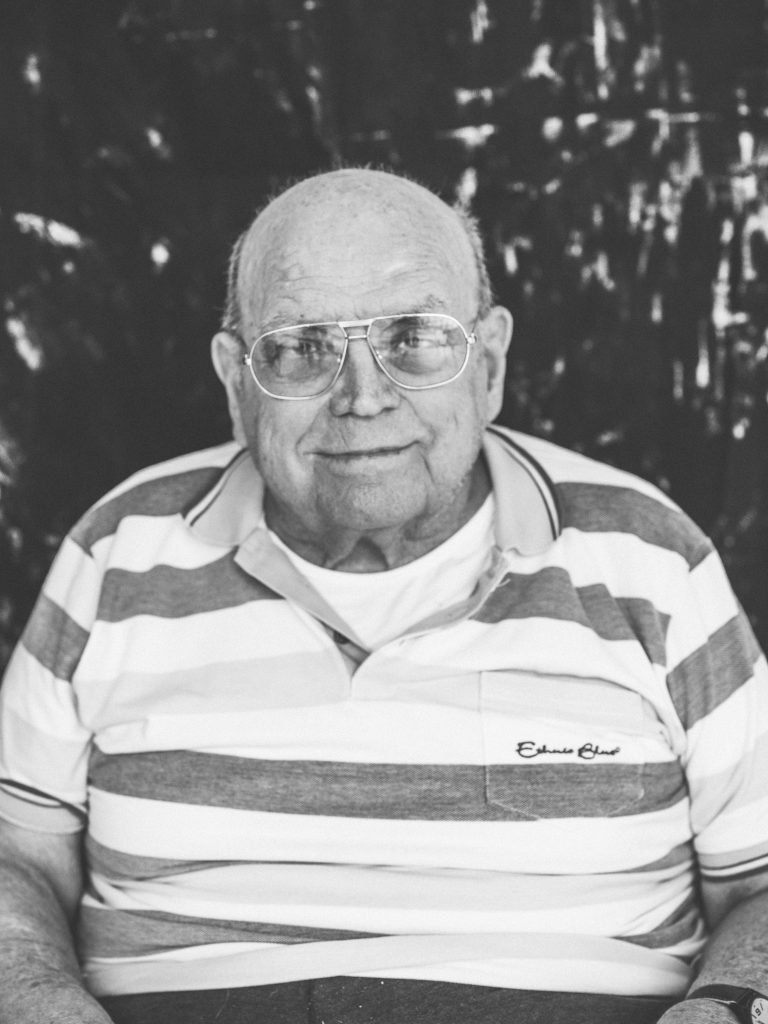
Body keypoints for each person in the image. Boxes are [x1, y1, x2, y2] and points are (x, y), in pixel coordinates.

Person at [0, 168, 767, 1024]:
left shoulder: (649, 560)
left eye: (414, 337)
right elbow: (17, 859)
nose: (362, 397)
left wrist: (724, 1012)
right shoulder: (119, 550)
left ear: (489, 363)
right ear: (235, 381)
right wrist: (38, 1005)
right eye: (302, 347)